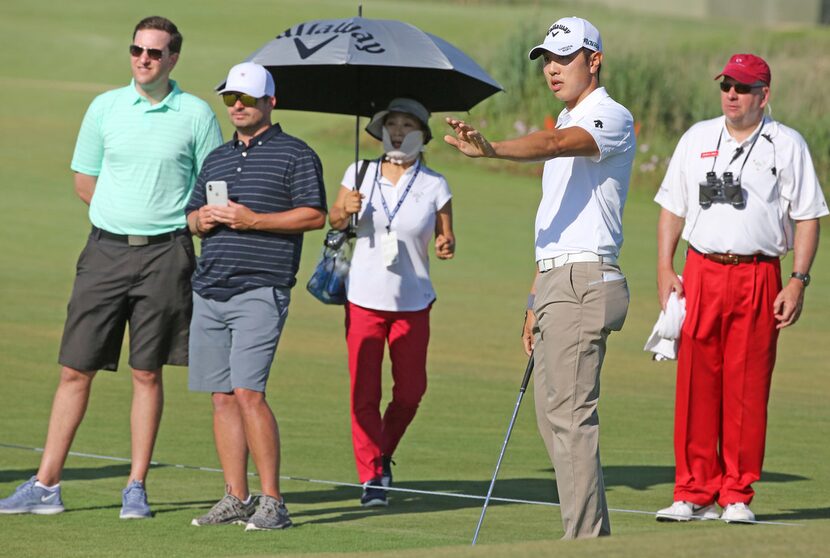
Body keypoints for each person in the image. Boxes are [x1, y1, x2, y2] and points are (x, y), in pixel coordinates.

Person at [0, 16, 222, 519]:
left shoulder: (195, 114)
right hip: (104, 252)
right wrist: (121, 217)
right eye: (137, 49)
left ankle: (136, 487)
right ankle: (45, 486)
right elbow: (85, 180)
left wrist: (175, 223)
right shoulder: (105, 107)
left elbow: (210, 186)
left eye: (155, 52)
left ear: (173, 59)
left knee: (147, 373)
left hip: (167, 255)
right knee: (75, 369)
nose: (144, 59)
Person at [445, 17, 634, 539]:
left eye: (564, 58)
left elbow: (554, 144)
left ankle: (585, 542)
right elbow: (556, 219)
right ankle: (593, 536)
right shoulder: (566, 117)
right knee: (552, 419)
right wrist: (534, 296)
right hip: (556, 281)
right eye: (546, 60)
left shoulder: (608, 117)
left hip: (586, 279)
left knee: (570, 419)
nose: (552, 69)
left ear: (593, 60)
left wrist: (493, 149)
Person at [654, 54, 827, 523]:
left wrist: (799, 279)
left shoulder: (786, 144)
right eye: (727, 85)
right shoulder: (697, 137)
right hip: (702, 269)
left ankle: (735, 495)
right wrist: (665, 267)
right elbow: (673, 206)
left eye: (743, 87)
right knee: (696, 383)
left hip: (759, 273)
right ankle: (691, 491)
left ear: (763, 96)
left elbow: (808, 216)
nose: (732, 94)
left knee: (747, 387)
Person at [186, 62, 327, 531]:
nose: (238, 106)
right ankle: (235, 497)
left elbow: (313, 215)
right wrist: (200, 221)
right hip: (210, 287)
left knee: (249, 392)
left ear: (271, 101)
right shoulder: (217, 159)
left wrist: (254, 221)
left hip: (260, 288)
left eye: (247, 98)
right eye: (231, 99)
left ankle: (273, 503)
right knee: (221, 396)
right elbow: (190, 213)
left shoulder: (295, 154)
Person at [328, 98, 455, 507]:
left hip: (414, 301)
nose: (398, 132)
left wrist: (445, 242)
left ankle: (381, 452)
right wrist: (344, 210)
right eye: (392, 124)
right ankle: (372, 476)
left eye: (407, 125)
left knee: (410, 392)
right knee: (363, 393)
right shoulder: (358, 172)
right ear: (381, 130)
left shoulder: (435, 184)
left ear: (423, 133)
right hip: (363, 297)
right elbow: (333, 220)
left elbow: (446, 236)